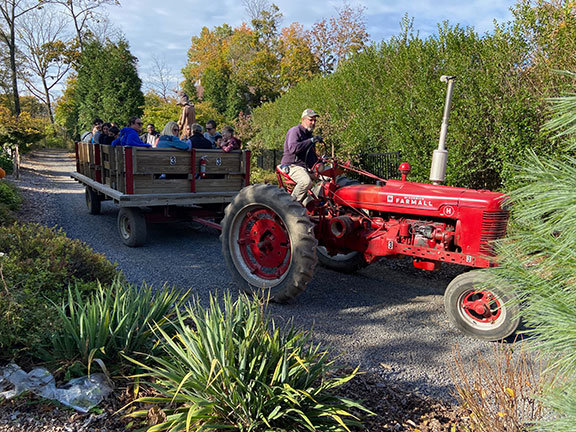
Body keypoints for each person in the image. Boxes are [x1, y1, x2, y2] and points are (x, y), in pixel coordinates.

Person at [279, 109, 323, 203]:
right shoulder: (295, 131)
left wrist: (320, 162)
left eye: (315, 120)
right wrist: (311, 141)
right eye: (311, 120)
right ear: (303, 120)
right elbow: (293, 148)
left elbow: (310, 156)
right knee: (306, 182)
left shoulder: (309, 135)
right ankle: (290, 206)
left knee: (329, 178)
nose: (313, 122)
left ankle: (312, 203)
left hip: (305, 167)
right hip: (292, 165)